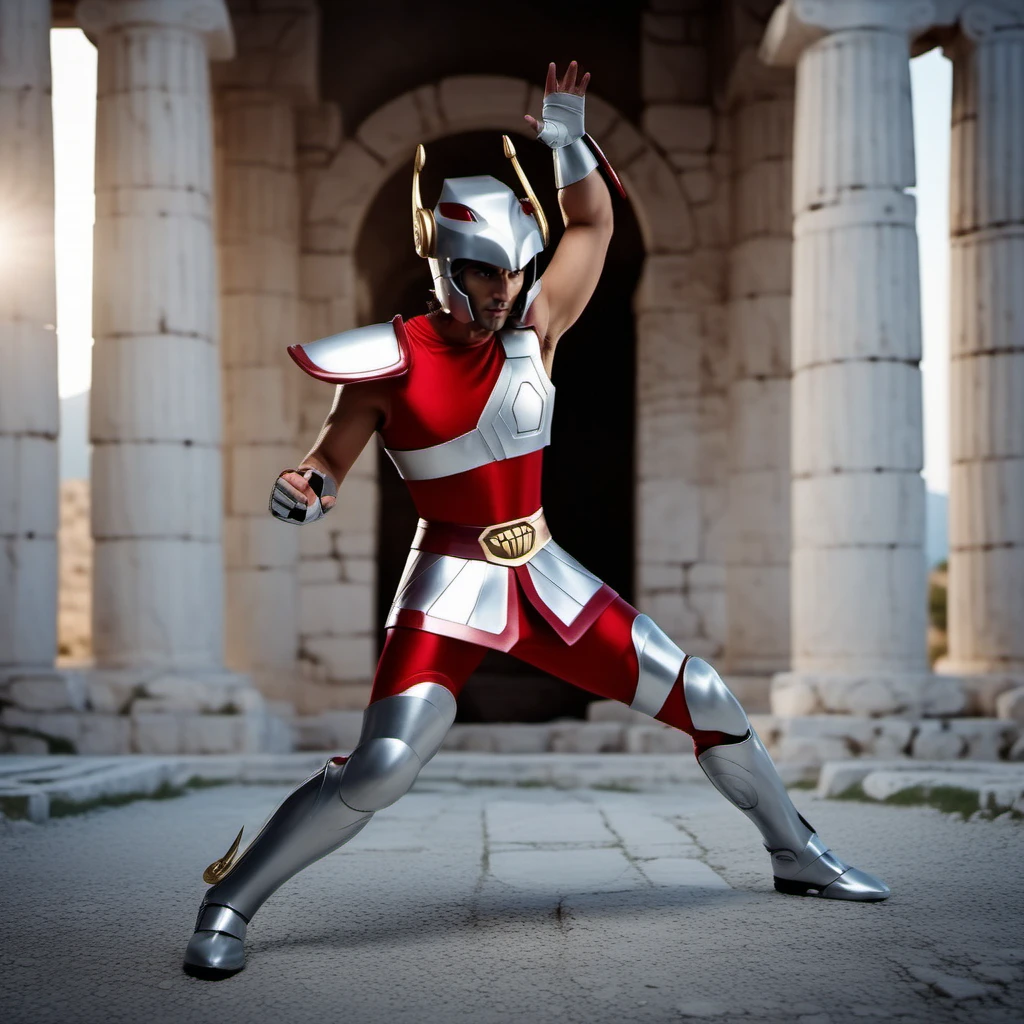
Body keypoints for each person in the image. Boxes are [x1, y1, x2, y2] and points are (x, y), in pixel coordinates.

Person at [183, 62, 889, 980]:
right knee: (384, 765)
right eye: (483, 278)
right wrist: (306, 485)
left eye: (512, 276)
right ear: (444, 269)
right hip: (446, 585)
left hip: (544, 572)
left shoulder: (535, 328)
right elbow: (328, 455)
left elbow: (591, 224)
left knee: (707, 696)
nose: (503, 295)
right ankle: (228, 901)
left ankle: (796, 851)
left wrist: (565, 141)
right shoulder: (388, 361)